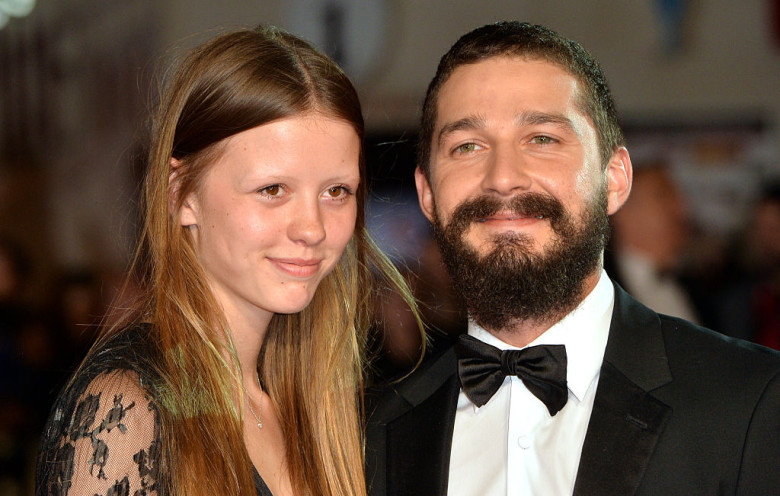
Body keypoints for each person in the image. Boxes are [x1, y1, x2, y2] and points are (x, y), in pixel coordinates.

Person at [365, 21, 780, 496]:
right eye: (468, 146)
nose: (503, 177)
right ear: (428, 194)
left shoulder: (752, 404)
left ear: (615, 180)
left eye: (542, 138)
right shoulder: (371, 433)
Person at [36, 25, 417, 496]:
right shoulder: (128, 412)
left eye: (336, 191)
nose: (313, 228)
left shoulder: (312, 403)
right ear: (182, 194)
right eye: (272, 190)